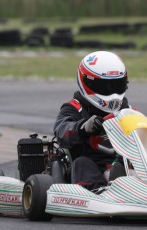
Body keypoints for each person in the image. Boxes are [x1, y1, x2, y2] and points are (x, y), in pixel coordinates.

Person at [53, 50, 131, 191]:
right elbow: (61, 131)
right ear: (87, 82)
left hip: (119, 164)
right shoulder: (75, 108)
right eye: (105, 87)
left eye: (117, 85)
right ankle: (99, 191)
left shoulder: (126, 109)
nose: (112, 93)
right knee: (83, 163)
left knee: (134, 162)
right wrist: (83, 127)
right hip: (89, 167)